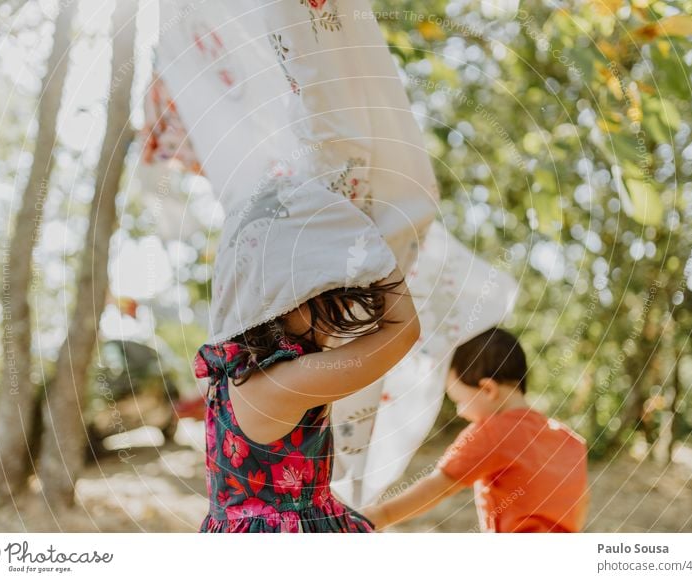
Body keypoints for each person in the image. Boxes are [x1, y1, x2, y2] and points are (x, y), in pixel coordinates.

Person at [193, 182, 420, 533]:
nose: (339, 316)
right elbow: (403, 330)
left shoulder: (232, 372)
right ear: (287, 301)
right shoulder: (283, 384)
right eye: (328, 298)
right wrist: (370, 247)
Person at [361, 327, 590, 533]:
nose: (460, 412)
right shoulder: (568, 439)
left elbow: (438, 488)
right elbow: (580, 505)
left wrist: (382, 515)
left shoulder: (492, 431)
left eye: (459, 400)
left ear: (487, 389)